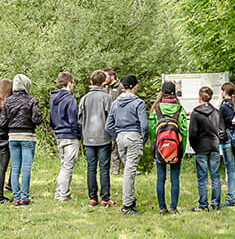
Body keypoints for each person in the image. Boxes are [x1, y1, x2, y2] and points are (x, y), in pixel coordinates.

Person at [104, 74, 148, 215]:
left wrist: (117, 135)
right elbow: (144, 125)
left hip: (120, 138)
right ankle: (127, 205)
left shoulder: (115, 103)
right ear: (134, 87)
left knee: (128, 170)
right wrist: (143, 138)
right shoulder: (138, 103)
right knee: (130, 171)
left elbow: (108, 126)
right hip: (133, 136)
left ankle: (131, 198)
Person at [0, 74, 43, 205]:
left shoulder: (8, 101)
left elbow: (2, 122)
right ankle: (24, 197)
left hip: (13, 137)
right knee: (26, 168)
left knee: (15, 167)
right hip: (27, 136)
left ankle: (16, 198)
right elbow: (37, 119)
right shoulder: (31, 100)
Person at [78, 69, 115, 206]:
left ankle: (92, 197)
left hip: (88, 138)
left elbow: (80, 119)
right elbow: (111, 118)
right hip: (103, 137)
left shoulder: (84, 98)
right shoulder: (107, 98)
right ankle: (105, 198)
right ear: (103, 82)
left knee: (91, 168)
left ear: (91, 82)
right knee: (104, 168)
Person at [151, 81, 185, 214]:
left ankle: (161, 207)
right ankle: (173, 207)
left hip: (160, 148)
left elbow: (152, 129)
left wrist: (154, 146)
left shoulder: (157, 109)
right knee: (175, 178)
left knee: (161, 178)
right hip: (175, 148)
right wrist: (181, 148)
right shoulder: (179, 109)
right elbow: (183, 130)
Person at [188, 85, 222, 211]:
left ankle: (203, 204)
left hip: (201, 147)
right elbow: (222, 131)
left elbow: (192, 133)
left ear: (199, 97)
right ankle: (215, 203)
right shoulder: (217, 112)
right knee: (215, 176)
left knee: (202, 177)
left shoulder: (196, 113)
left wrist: (194, 146)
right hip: (214, 146)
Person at [50, 71, 81, 202]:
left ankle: (60, 193)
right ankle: (63, 194)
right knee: (68, 166)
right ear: (69, 83)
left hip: (58, 134)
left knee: (64, 165)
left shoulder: (53, 99)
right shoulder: (70, 99)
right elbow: (73, 120)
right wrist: (78, 134)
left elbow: (51, 119)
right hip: (69, 135)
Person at [219, 81, 235, 205]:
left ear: (224, 92)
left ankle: (230, 198)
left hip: (227, 141)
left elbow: (220, 124)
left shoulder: (224, 108)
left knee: (230, 169)